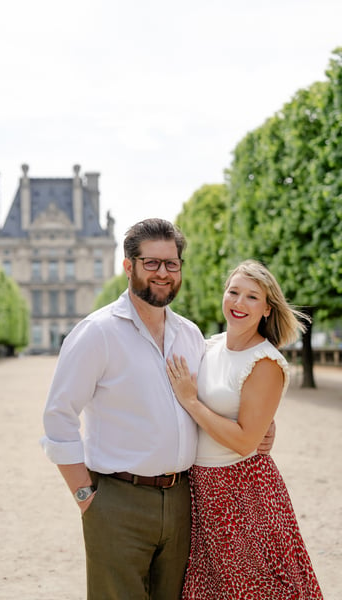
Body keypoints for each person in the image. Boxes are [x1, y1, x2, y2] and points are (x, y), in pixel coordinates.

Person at [41, 220, 274, 600]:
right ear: (128, 266)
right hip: (118, 502)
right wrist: (86, 499)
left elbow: (218, 395)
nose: (163, 273)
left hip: (184, 501)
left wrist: (263, 422)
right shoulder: (97, 332)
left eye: (172, 263)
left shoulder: (191, 334)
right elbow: (58, 418)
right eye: (151, 263)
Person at [166, 259, 323, 599]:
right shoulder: (210, 346)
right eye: (233, 292)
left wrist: (192, 402)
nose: (239, 303)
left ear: (267, 309)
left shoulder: (264, 362)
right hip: (203, 489)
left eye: (252, 297)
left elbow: (243, 441)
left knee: (254, 589)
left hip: (243, 490)